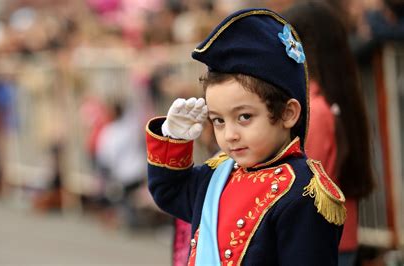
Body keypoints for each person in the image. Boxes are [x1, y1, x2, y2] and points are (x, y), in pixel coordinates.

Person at [145, 8, 346, 266]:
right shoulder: (218, 175)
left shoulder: (302, 193)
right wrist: (173, 139)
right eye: (218, 120)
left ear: (288, 113)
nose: (230, 135)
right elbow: (169, 192)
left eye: (244, 117)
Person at [282, 2, 375, 266]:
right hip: (332, 241)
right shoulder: (326, 102)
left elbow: (303, 188)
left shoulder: (315, 110)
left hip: (319, 245)